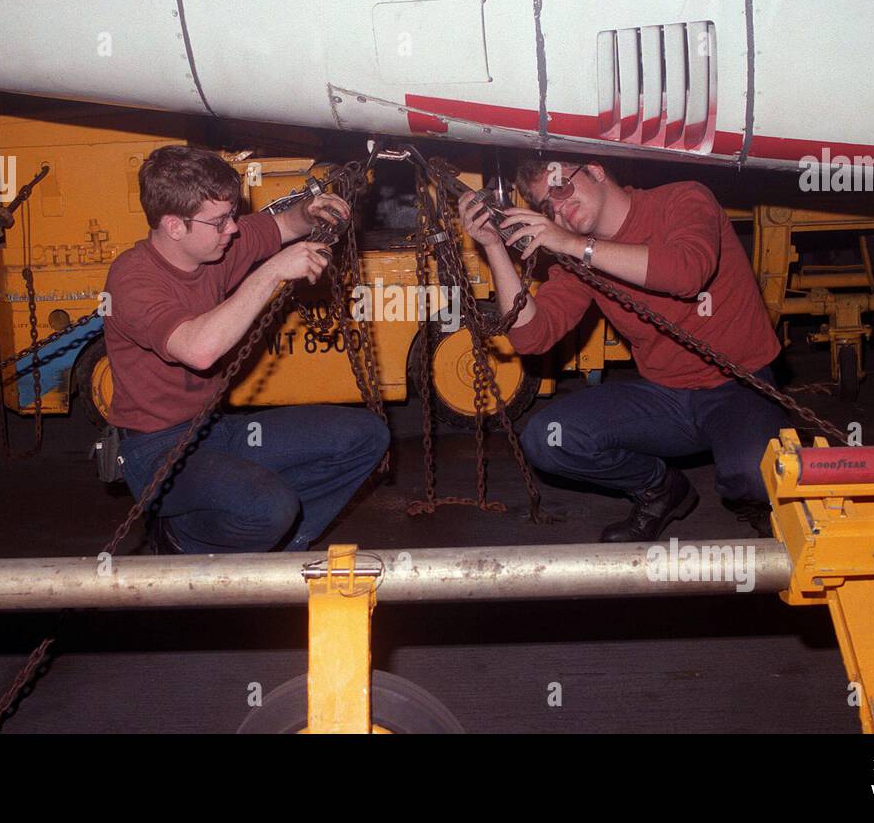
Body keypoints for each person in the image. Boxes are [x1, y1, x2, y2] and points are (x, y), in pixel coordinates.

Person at [459, 159, 786, 541]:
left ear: (596, 171)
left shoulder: (684, 199)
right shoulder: (575, 255)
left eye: (561, 188)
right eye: (546, 206)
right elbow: (533, 337)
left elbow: (687, 272)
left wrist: (573, 244)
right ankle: (661, 490)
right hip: (666, 399)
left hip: (739, 387)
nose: (559, 209)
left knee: (752, 473)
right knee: (548, 437)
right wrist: (494, 247)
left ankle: (754, 502)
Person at [103, 145, 390, 554]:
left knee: (366, 435)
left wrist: (312, 212)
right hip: (157, 452)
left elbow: (281, 225)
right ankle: (185, 540)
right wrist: (272, 272)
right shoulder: (132, 280)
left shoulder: (213, 246)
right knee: (268, 505)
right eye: (220, 221)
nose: (233, 229)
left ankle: (286, 539)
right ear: (174, 226)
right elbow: (199, 350)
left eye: (232, 216)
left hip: (217, 431)